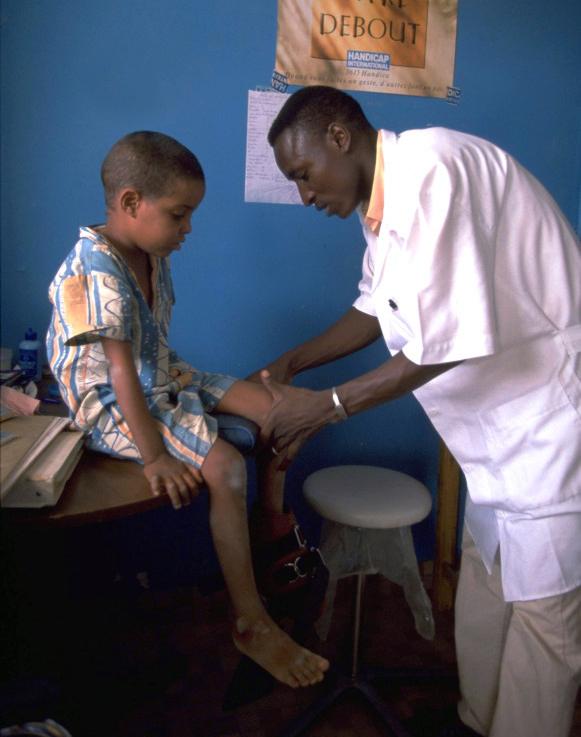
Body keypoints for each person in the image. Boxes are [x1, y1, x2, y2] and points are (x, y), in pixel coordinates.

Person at [249, 86, 581, 737]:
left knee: (546, 626)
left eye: (303, 174)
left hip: (551, 429)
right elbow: (375, 310)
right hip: (497, 439)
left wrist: (324, 408)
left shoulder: (432, 171)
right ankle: (477, 722)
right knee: (488, 590)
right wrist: (290, 365)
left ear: (339, 138)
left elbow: (441, 344)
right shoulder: (383, 211)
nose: (304, 195)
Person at [46, 131, 329, 690]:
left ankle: (271, 528)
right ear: (131, 203)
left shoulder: (150, 251)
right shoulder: (90, 271)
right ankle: (250, 621)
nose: (188, 229)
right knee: (224, 467)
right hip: (110, 402)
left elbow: (152, 358)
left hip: (160, 375)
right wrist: (154, 457)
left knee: (280, 407)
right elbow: (120, 372)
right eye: (180, 215)